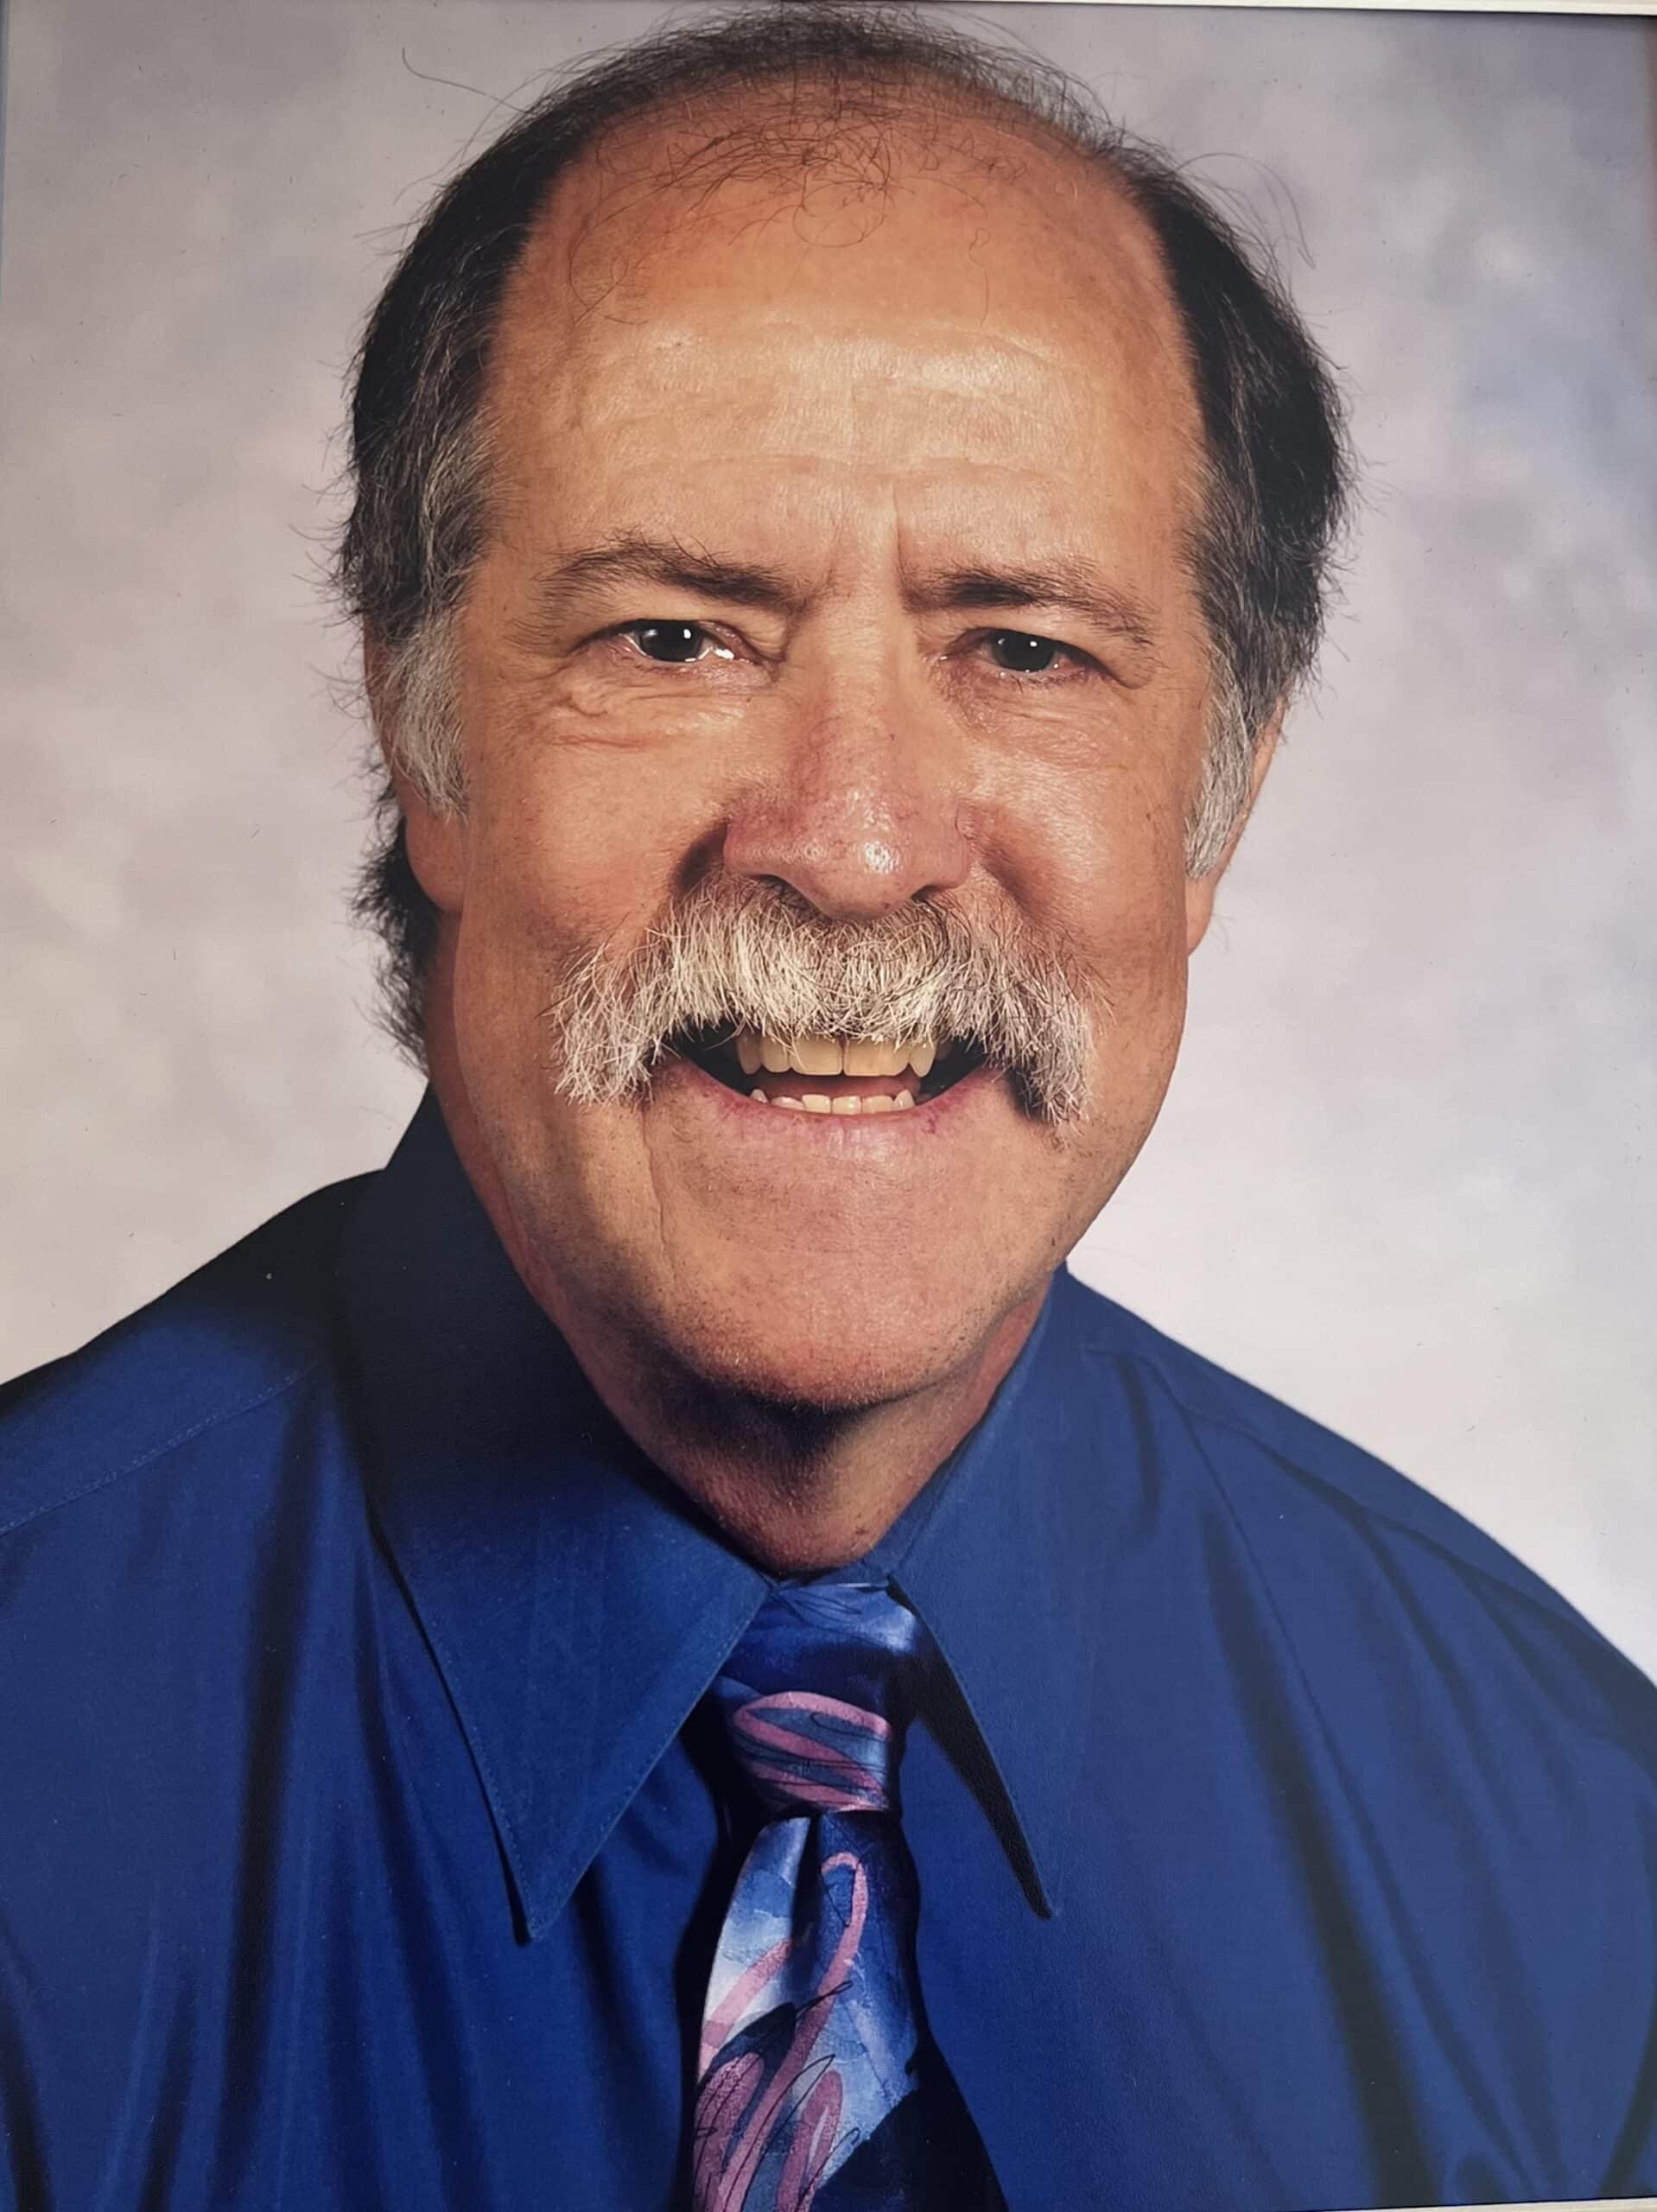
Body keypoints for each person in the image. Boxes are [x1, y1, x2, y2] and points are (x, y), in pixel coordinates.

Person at [2, 5, 1652, 2207]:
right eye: (674, 636)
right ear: (423, 738)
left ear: (1217, 797)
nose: (854, 845)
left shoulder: (1571, 1861)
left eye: (1023, 645)